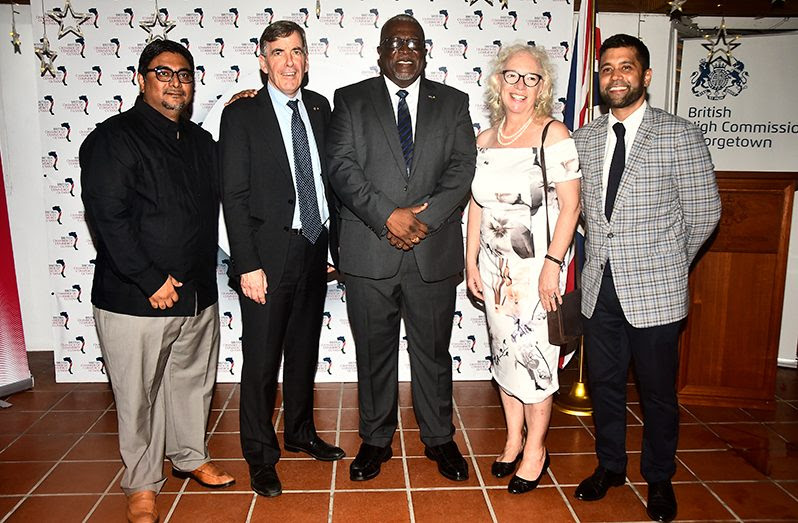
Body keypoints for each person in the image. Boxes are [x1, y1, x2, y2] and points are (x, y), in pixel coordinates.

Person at [80, 39, 234, 523]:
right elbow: (108, 218)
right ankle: (142, 483)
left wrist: (245, 108)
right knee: (138, 396)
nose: (176, 82)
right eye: (163, 72)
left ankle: (190, 457)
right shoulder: (112, 138)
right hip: (134, 298)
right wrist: (149, 279)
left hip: (196, 295)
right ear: (141, 79)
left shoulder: (201, 142)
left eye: (184, 73)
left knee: (191, 385)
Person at [572, 34, 721, 522]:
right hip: (599, 287)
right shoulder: (586, 138)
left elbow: (704, 213)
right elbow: (580, 212)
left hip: (656, 291)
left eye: (626, 67)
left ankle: (659, 478)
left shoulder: (679, 134)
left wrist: (668, 264)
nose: (616, 76)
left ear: (646, 76)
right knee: (606, 385)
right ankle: (610, 466)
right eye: (608, 68)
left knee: (657, 393)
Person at [327, 14, 476, 482]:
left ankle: (439, 438)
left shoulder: (453, 102)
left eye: (413, 42)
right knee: (374, 351)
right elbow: (342, 167)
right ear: (379, 52)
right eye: (394, 42)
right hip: (370, 250)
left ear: (426, 51)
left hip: (431, 252)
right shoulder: (350, 100)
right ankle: (375, 439)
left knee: (433, 351)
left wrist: (421, 220)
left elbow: (462, 169)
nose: (404, 50)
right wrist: (388, 216)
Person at [219, 20, 344, 499]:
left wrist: (333, 249)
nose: (289, 61)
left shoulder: (319, 106)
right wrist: (246, 264)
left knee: (304, 350)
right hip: (265, 258)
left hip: (313, 248)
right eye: (278, 52)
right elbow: (233, 192)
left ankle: (300, 431)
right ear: (262, 59)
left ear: (307, 58)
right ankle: (260, 454)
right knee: (261, 361)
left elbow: (328, 179)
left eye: (296, 51)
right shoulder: (241, 115)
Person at [465, 44, 581, 494]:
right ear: (499, 81)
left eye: (531, 79)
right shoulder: (485, 139)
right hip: (495, 272)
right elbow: (475, 204)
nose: (520, 85)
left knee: (535, 364)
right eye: (512, 76)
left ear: (542, 87)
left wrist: (553, 265)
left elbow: (571, 207)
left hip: (536, 273)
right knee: (504, 355)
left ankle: (537, 450)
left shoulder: (554, 135)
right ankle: (513, 440)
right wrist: (470, 259)